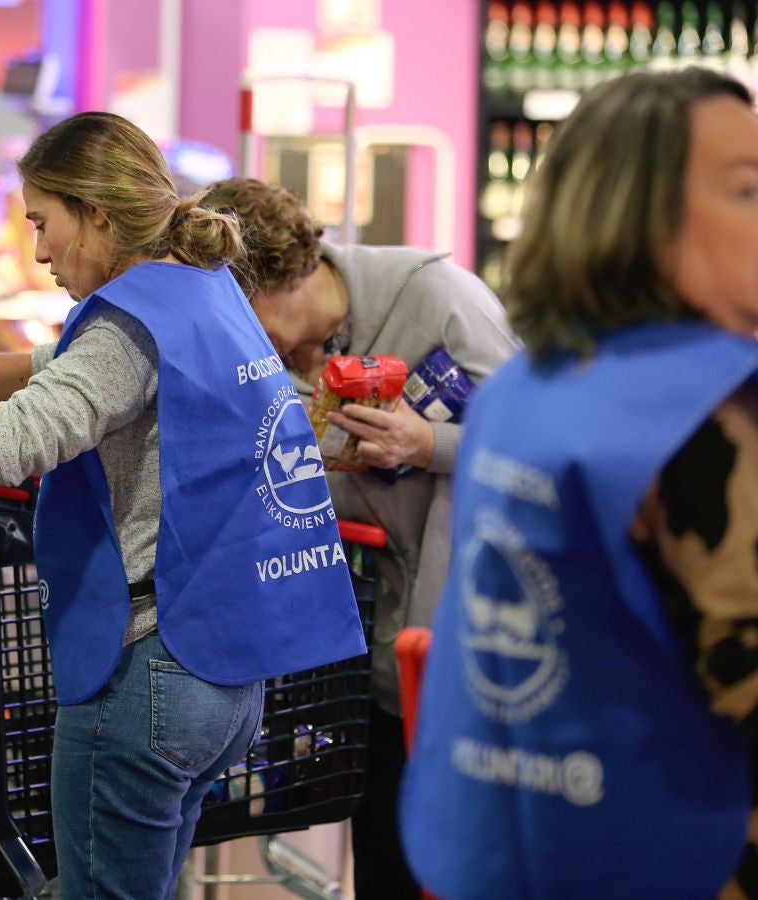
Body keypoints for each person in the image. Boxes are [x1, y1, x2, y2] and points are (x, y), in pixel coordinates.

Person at [0, 111, 366, 897]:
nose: (40, 249)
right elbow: (49, 368)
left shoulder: (128, 324)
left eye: (44, 223)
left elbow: (12, 443)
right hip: (222, 677)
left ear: (95, 213)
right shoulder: (200, 292)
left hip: (148, 674)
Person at [400, 68, 758, 899]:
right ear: (637, 215)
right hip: (731, 849)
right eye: (745, 189)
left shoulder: (532, 384)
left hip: (554, 836)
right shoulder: (695, 414)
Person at [199, 177, 517, 897]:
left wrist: (424, 441)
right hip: (358, 657)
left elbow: (542, 445)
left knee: (451, 861)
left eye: (238, 313)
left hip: (458, 652)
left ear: (290, 276)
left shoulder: (438, 299)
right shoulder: (270, 359)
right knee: (381, 856)